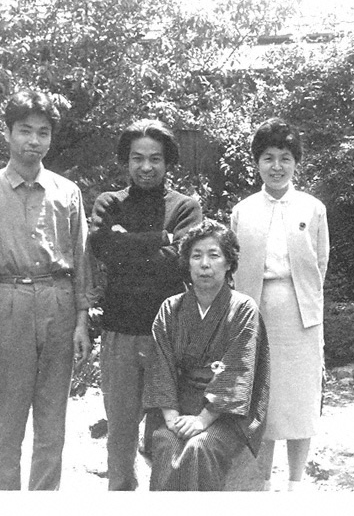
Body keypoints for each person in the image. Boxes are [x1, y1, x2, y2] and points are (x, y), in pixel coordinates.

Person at [0, 89, 95, 490]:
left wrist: (82, 321)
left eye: (43, 133)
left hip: (59, 300)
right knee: (7, 423)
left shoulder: (67, 191)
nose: (33, 141)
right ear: (7, 133)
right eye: (24, 131)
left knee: (52, 423)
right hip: (8, 303)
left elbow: (82, 258)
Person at [89, 119, 202, 490]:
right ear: (126, 161)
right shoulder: (109, 203)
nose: (146, 167)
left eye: (155, 158)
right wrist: (161, 239)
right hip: (120, 331)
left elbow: (179, 259)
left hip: (170, 336)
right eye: (137, 158)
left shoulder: (186, 207)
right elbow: (104, 250)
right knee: (120, 431)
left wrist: (129, 242)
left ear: (168, 162)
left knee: (166, 432)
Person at [230, 117, 329, 491]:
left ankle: (296, 483)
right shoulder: (244, 210)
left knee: (300, 398)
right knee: (263, 396)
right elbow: (234, 264)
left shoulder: (312, 208)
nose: (276, 166)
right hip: (255, 307)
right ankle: (261, 482)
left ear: (295, 162)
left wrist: (304, 298)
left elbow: (320, 262)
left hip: (300, 310)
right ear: (256, 162)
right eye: (268, 157)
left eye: (285, 158)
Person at [143, 219, 269, 491]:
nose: (204, 264)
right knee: (166, 441)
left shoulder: (244, 308)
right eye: (196, 256)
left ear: (228, 263)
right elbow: (160, 365)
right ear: (187, 263)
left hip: (226, 413)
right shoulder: (171, 308)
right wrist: (172, 418)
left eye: (214, 255)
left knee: (201, 446)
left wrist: (202, 420)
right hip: (178, 406)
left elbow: (239, 370)